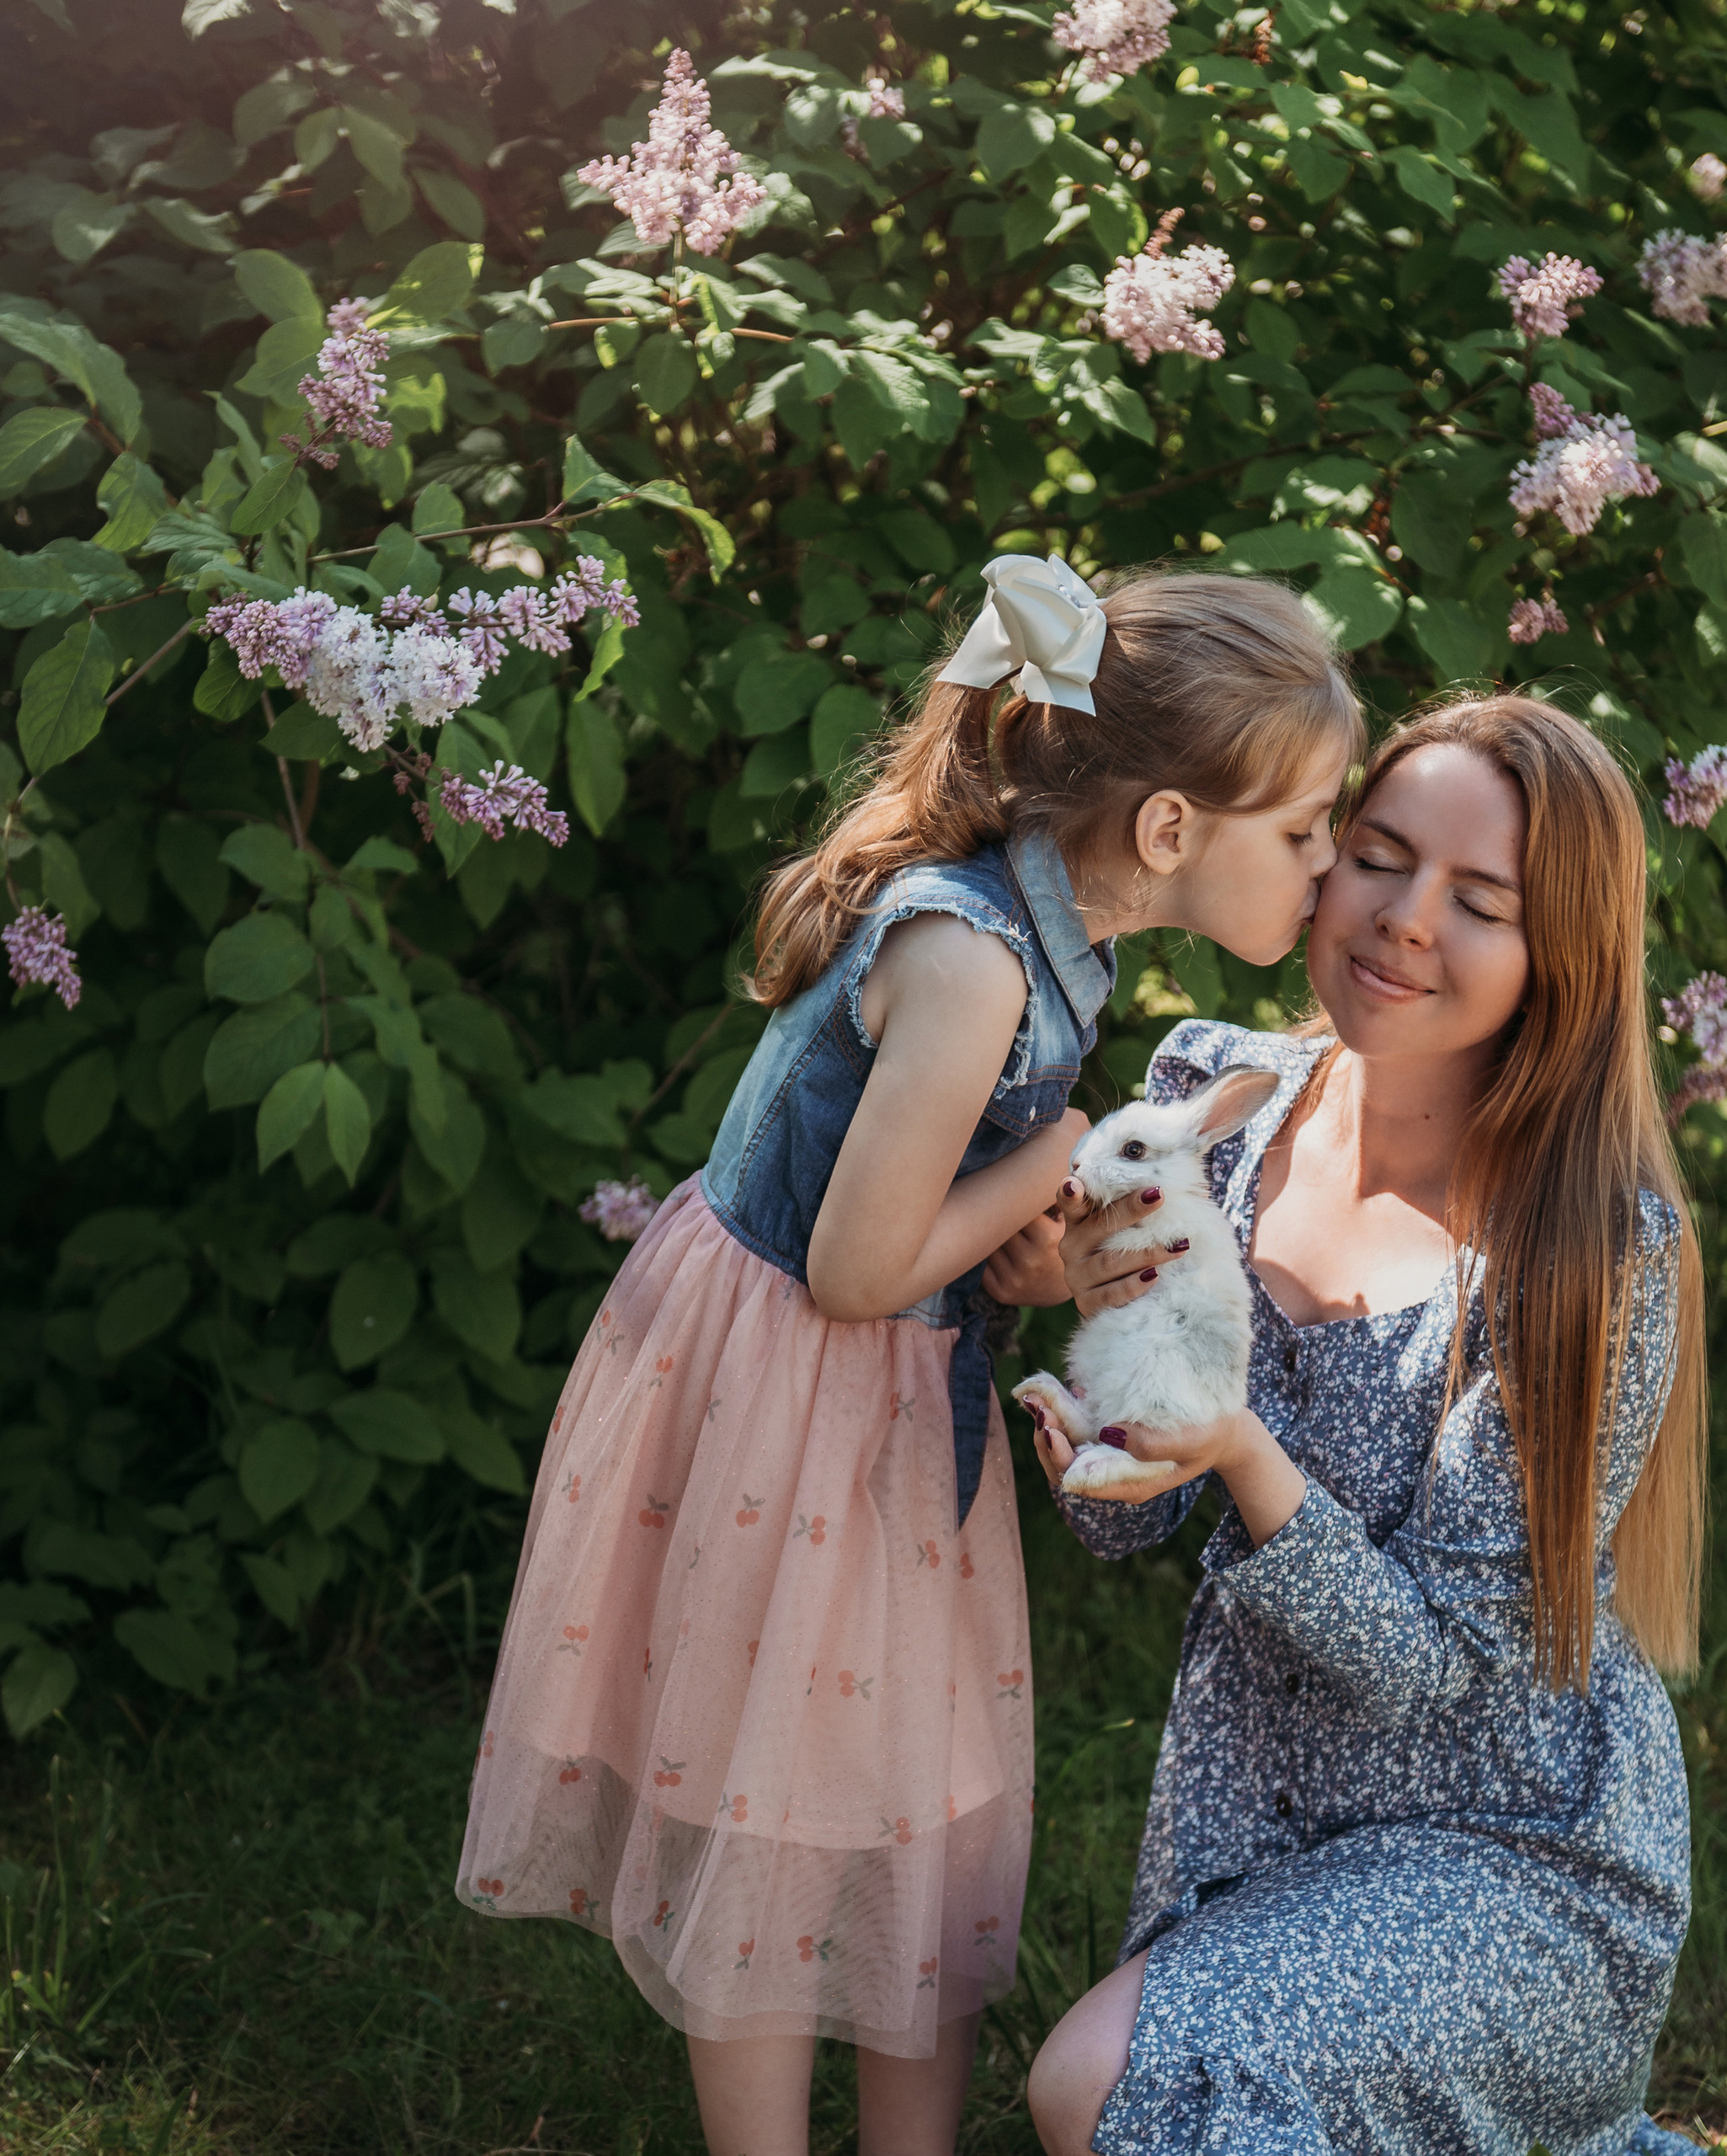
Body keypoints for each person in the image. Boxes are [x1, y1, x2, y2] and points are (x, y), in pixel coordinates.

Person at [456, 556, 1365, 2156]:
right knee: (782, 1790)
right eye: (1302, 834)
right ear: (1169, 832)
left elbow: (918, 1218)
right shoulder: (974, 958)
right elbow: (858, 1265)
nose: (1326, 865)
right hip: (793, 1395)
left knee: (910, 1783)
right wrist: (1057, 1157)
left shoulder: (1050, 925)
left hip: (873, 1389)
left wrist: (1017, 1233)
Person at [1020, 696, 1709, 2156]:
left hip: (1515, 1847)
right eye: (1381, 857)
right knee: (1109, 2089)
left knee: (1099, 2090)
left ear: (1557, 959)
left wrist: (1241, 1451)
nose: (1403, 921)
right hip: (1261, 1819)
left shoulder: (1584, 1252)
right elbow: (1108, 1523)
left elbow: (1436, 1677)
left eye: (1480, 901)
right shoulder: (1220, 1108)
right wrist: (1112, 1414)